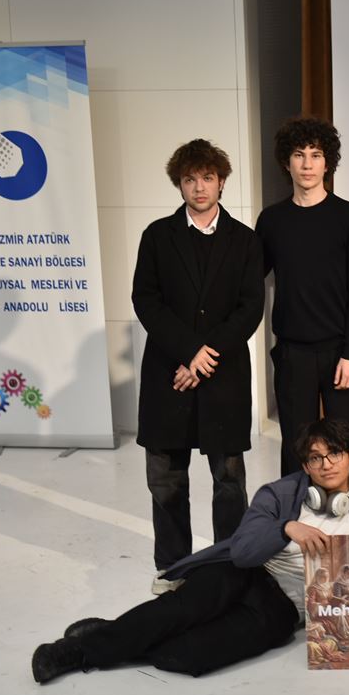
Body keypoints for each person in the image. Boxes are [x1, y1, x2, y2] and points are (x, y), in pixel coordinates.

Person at [31, 419, 349, 684]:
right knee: (179, 611)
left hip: (284, 609)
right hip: (247, 574)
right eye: (315, 458)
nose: (326, 464)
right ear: (305, 466)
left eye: (334, 454)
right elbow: (243, 552)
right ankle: (74, 652)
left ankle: (114, 632)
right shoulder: (280, 494)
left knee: (187, 656)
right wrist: (285, 528)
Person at [130, 139, 265, 594]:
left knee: (228, 481)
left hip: (223, 376)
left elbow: (250, 307)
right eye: (190, 179)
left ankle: (230, 566)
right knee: (166, 481)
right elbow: (146, 300)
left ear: (222, 182)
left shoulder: (245, 240)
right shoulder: (157, 236)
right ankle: (173, 568)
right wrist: (189, 351)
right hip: (169, 374)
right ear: (180, 184)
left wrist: (204, 358)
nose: (199, 187)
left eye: (208, 178)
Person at [255, 118, 349, 477]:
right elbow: (248, 277)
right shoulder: (272, 220)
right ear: (286, 162)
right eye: (298, 154)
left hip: (341, 351)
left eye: (316, 155)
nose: (307, 164)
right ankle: (296, 509)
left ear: (327, 163)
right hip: (293, 353)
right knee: (297, 448)